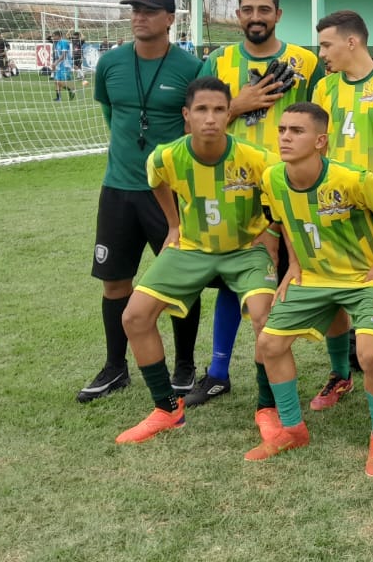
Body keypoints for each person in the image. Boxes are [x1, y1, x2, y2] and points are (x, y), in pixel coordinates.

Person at [115, 76, 278, 444]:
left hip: (244, 250)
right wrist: (173, 224)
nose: (211, 118)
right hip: (191, 247)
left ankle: (268, 407)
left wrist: (270, 232)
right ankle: (167, 409)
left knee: (265, 318)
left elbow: (281, 192)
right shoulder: (166, 156)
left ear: (228, 113)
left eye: (219, 109)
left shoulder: (256, 159)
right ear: (186, 115)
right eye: (202, 110)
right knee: (135, 316)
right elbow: (157, 181)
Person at [191, 0, 323, 407]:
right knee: (235, 281)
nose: (255, 17)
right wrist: (237, 104)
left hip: (293, 189)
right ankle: (217, 372)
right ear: (237, 15)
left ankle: (340, 366)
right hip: (236, 188)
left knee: (313, 272)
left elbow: (325, 120)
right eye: (247, 9)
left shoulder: (305, 62)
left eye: (264, 10)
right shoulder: (218, 60)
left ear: (278, 14)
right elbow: (196, 124)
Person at [252, 102, 373, 469]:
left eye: (296, 131)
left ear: (321, 142)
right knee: (269, 343)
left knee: (367, 353)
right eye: (282, 130)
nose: (285, 137)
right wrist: (295, 263)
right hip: (312, 277)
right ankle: (293, 429)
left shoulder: (354, 179)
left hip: (363, 278)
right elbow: (285, 221)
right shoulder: (272, 178)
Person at [78, 0, 203, 403]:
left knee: (182, 284)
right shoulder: (111, 63)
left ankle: (184, 364)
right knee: (114, 283)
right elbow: (112, 115)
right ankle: (116, 368)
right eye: (134, 9)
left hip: (169, 193)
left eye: (149, 11)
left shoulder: (190, 68)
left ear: (170, 19)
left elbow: (196, 127)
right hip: (118, 189)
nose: (139, 17)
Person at [312, 9, 373, 408]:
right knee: (335, 293)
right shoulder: (324, 89)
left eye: (326, 44)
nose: (321, 53)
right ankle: (340, 374)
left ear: (352, 42)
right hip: (334, 209)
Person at [51, 31, 74, 100]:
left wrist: (56, 63)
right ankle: (58, 97)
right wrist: (55, 63)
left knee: (60, 81)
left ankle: (71, 90)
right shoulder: (57, 43)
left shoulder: (64, 42)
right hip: (60, 64)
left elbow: (64, 55)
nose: (53, 38)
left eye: (54, 36)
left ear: (59, 36)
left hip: (65, 64)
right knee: (56, 81)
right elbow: (58, 55)